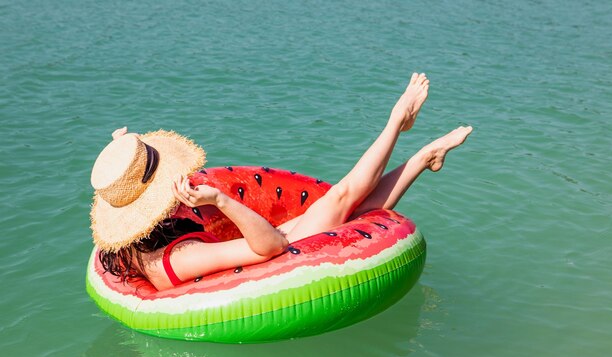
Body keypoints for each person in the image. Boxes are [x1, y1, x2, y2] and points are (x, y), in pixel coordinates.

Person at [90, 73, 472, 291]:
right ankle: (397, 122)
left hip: (251, 251)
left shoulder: (135, 244)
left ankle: (423, 158)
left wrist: (121, 145)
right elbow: (269, 248)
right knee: (342, 197)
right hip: (271, 261)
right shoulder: (179, 257)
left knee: (349, 207)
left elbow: (128, 184)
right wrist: (220, 202)